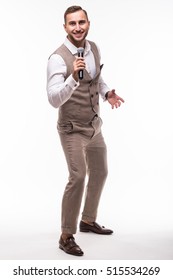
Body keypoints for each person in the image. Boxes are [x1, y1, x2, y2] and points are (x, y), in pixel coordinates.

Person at [47, 5, 124, 256]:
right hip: (72, 129)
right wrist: (73, 78)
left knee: (100, 172)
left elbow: (97, 80)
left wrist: (108, 93)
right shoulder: (58, 58)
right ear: (65, 27)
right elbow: (53, 99)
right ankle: (66, 235)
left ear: (88, 23)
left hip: (94, 126)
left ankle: (88, 220)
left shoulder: (94, 48)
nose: (78, 27)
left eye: (82, 22)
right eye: (72, 24)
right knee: (78, 177)